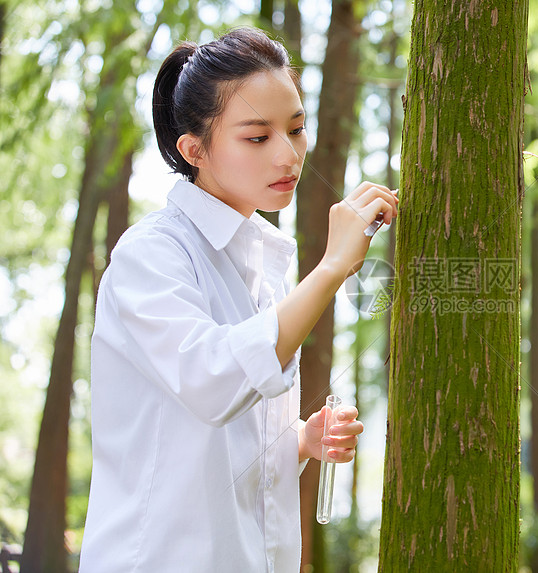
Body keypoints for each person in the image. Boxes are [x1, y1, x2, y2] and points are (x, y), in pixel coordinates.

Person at [78, 27, 397, 572]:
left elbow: (217, 439)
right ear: (193, 149)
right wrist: (332, 267)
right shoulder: (151, 254)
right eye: (257, 137)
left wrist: (298, 440)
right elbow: (214, 379)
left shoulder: (260, 262)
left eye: (296, 129)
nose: (289, 155)